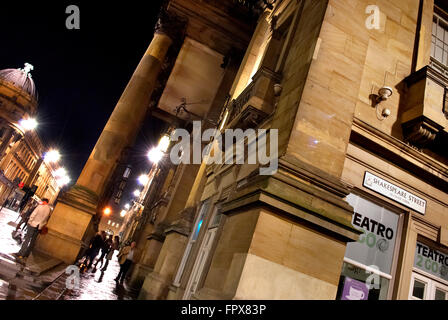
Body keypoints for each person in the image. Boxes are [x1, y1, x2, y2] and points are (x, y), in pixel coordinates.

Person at [12, 198, 51, 263]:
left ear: (43, 201)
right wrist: (41, 224)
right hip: (39, 226)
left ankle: (21, 253)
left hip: (33, 224)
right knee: (32, 241)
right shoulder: (48, 209)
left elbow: (33, 214)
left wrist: (30, 221)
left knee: (27, 239)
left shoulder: (40, 206)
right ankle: (26, 254)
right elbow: (45, 218)